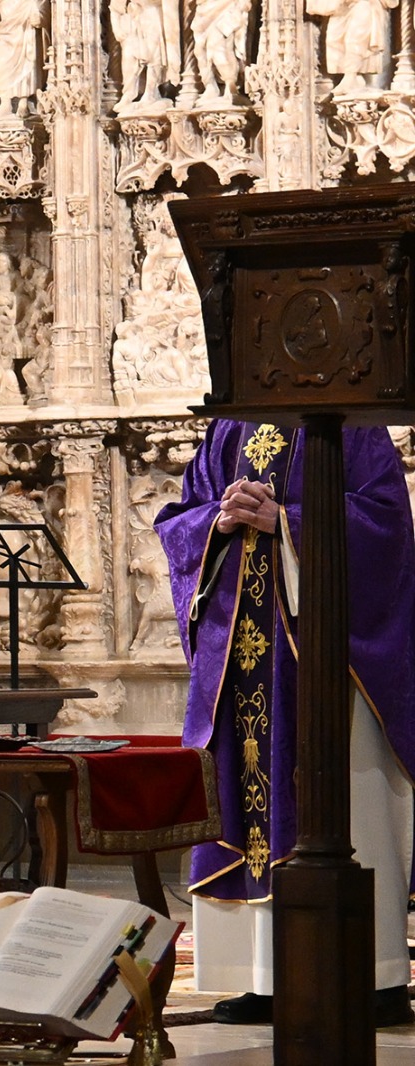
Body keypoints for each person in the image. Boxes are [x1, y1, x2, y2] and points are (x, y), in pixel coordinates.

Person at [155, 420, 415, 1027]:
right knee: (246, 808)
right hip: (240, 661)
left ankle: (370, 975)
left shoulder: (353, 425)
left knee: (349, 803)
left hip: (330, 662)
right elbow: (179, 522)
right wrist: (219, 522)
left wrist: (290, 522)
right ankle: (263, 977)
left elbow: (387, 530)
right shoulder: (228, 428)